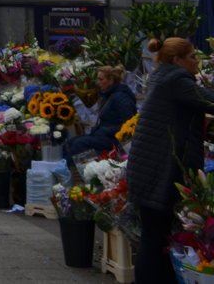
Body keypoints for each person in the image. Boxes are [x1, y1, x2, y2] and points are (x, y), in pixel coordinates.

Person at [127, 37, 214, 284]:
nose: (197, 62)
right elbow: (209, 101)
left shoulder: (162, 76)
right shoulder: (177, 80)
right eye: (193, 57)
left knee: (157, 235)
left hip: (149, 168)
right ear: (177, 60)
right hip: (160, 171)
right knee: (155, 237)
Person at [63, 65, 136, 162]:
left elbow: (129, 124)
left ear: (111, 80)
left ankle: (79, 168)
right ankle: (70, 167)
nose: (98, 83)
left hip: (114, 139)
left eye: (101, 79)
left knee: (79, 144)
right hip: (104, 135)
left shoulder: (121, 97)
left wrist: (104, 131)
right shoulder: (109, 95)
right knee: (72, 142)